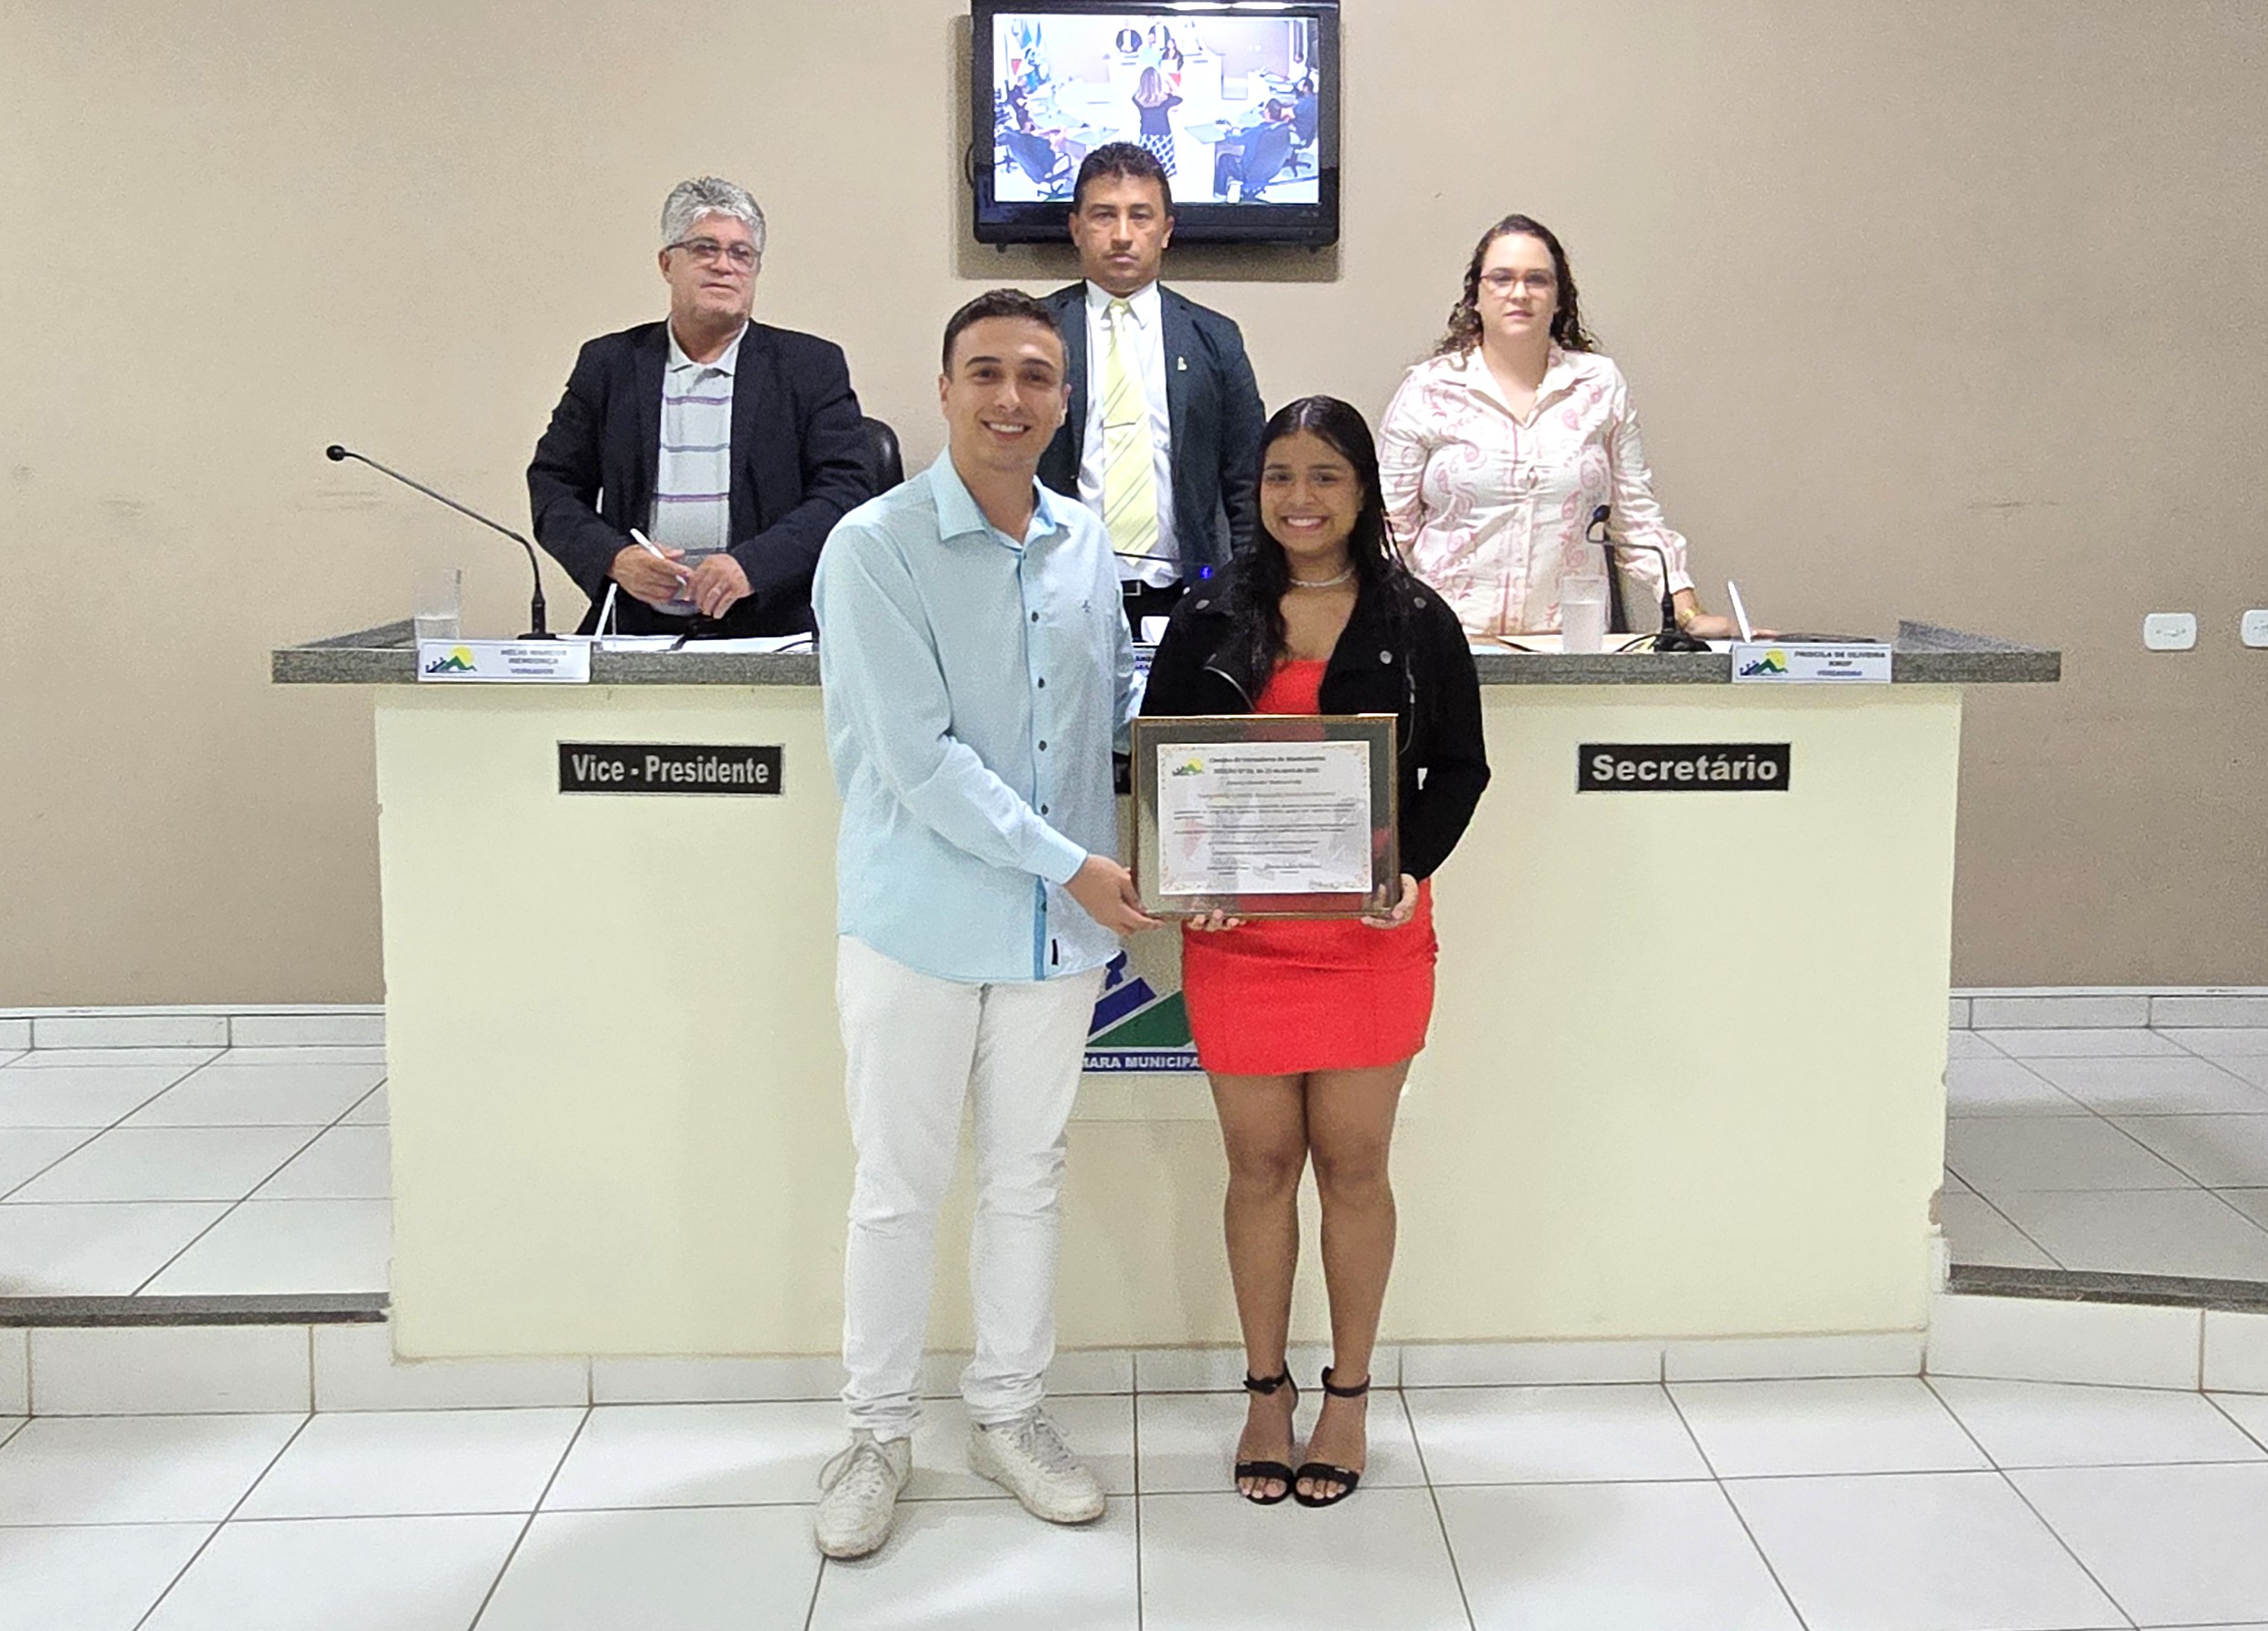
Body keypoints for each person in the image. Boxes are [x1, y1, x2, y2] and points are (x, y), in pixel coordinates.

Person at [808, 289, 1158, 1560]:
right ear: (944, 388)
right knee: (898, 1188)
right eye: (984, 373)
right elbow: (919, 759)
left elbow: (1113, 715)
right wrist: (1074, 864)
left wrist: (1218, 802)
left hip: (1054, 941)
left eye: (1037, 376)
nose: (1011, 397)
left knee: (1027, 1180)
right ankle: (873, 1432)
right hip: (915, 922)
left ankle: (1009, 1412)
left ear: (1064, 399)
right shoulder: (873, 545)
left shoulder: (1083, 543)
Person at [1139, 396, 1490, 1507]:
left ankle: (1346, 1395)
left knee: (1352, 1170)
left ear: (1362, 490)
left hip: (1367, 941)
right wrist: (1185, 880)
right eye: (1279, 475)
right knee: (1256, 1170)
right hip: (1239, 945)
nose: (1299, 498)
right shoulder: (1206, 617)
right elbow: (1155, 771)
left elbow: (1460, 772)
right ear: (1255, 491)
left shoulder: (1416, 617)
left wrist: (1408, 871)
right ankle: (1262, 1391)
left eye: (1324, 476)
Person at [527, 177, 872, 637]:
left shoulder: (809, 367)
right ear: (668, 263)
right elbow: (553, 486)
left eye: (740, 253)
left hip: (771, 628)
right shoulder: (610, 365)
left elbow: (847, 491)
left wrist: (752, 565)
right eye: (705, 249)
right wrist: (614, 558)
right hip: (635, 628)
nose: (723, 266)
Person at [1378, 213, 1744, 640]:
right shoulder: (1428, 388)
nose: (1519, 293)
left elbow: (1636, 519)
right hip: (1443, 640)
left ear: (1558, 298)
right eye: (1501, 278)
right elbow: (1389, 530)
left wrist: (1688, 612)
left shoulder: (1598, 384)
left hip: (1567, 641)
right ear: (1475, 295)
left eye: (1537, 280)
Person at [1039, 144, 1266, 637]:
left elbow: (1249, 486)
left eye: (1140, 216)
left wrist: (1249, 595)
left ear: (1166, 230)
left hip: (1188, 602)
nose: (1122, 235)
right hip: (1056, 596)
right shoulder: (1034, 336)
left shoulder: (1215, 340)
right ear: (1075, 227)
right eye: (1104, 216)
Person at [1129, 66, 1182, 176]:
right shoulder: (1166, 99)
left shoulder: (1137, 99)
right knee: (1165, 168)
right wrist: (1169, 80)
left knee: (1147, 167)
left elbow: (1136, 95)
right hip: (1164, 136)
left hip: (1146, 136)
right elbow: (1180, 97)